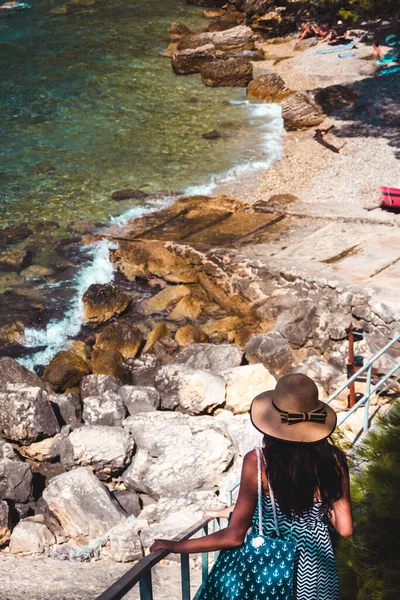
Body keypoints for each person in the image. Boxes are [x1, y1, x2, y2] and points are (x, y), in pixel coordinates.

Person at [151, 373, 353, 600]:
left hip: (271, 569)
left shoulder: (259, 462)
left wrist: (177, 546)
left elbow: (235, 536)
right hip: (317, 572)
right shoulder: (335, 460)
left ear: (272, 422)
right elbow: (345, 528)